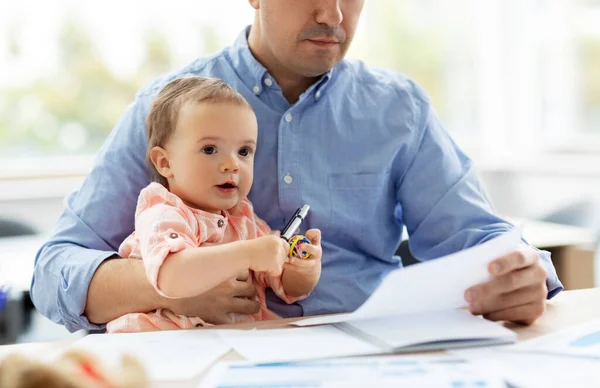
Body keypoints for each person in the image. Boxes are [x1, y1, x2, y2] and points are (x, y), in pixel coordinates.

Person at [31, 0, 562, 333]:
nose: (332, 15)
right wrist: (171, 283)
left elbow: (483, 245)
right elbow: (54, 272)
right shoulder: (169, 109)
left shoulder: (400, 110)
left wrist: (524, 276)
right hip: (203, 358)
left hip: (373, 361)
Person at [106, 76, 322, 333]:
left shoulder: (245, 220)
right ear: (164, 163)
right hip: (159, 343)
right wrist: (249, 253)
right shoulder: (163, 214)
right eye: (210, 149)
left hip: (229, 345)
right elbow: (172, 276)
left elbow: (285, 283)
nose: (232, 164)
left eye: (244, 152)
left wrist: (302, 270)